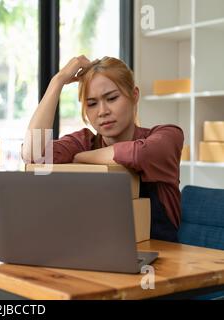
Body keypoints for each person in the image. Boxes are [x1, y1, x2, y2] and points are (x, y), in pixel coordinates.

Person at [21, 56, 183, 242]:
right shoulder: (83, 140)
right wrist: (57, 81)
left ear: (134, 95)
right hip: (97, 250)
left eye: (112, 98)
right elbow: (33, 156)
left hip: (162, 260)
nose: (102, 111)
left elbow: (139, 155)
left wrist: (81, 158)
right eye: (92, 103)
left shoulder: (168, 136)